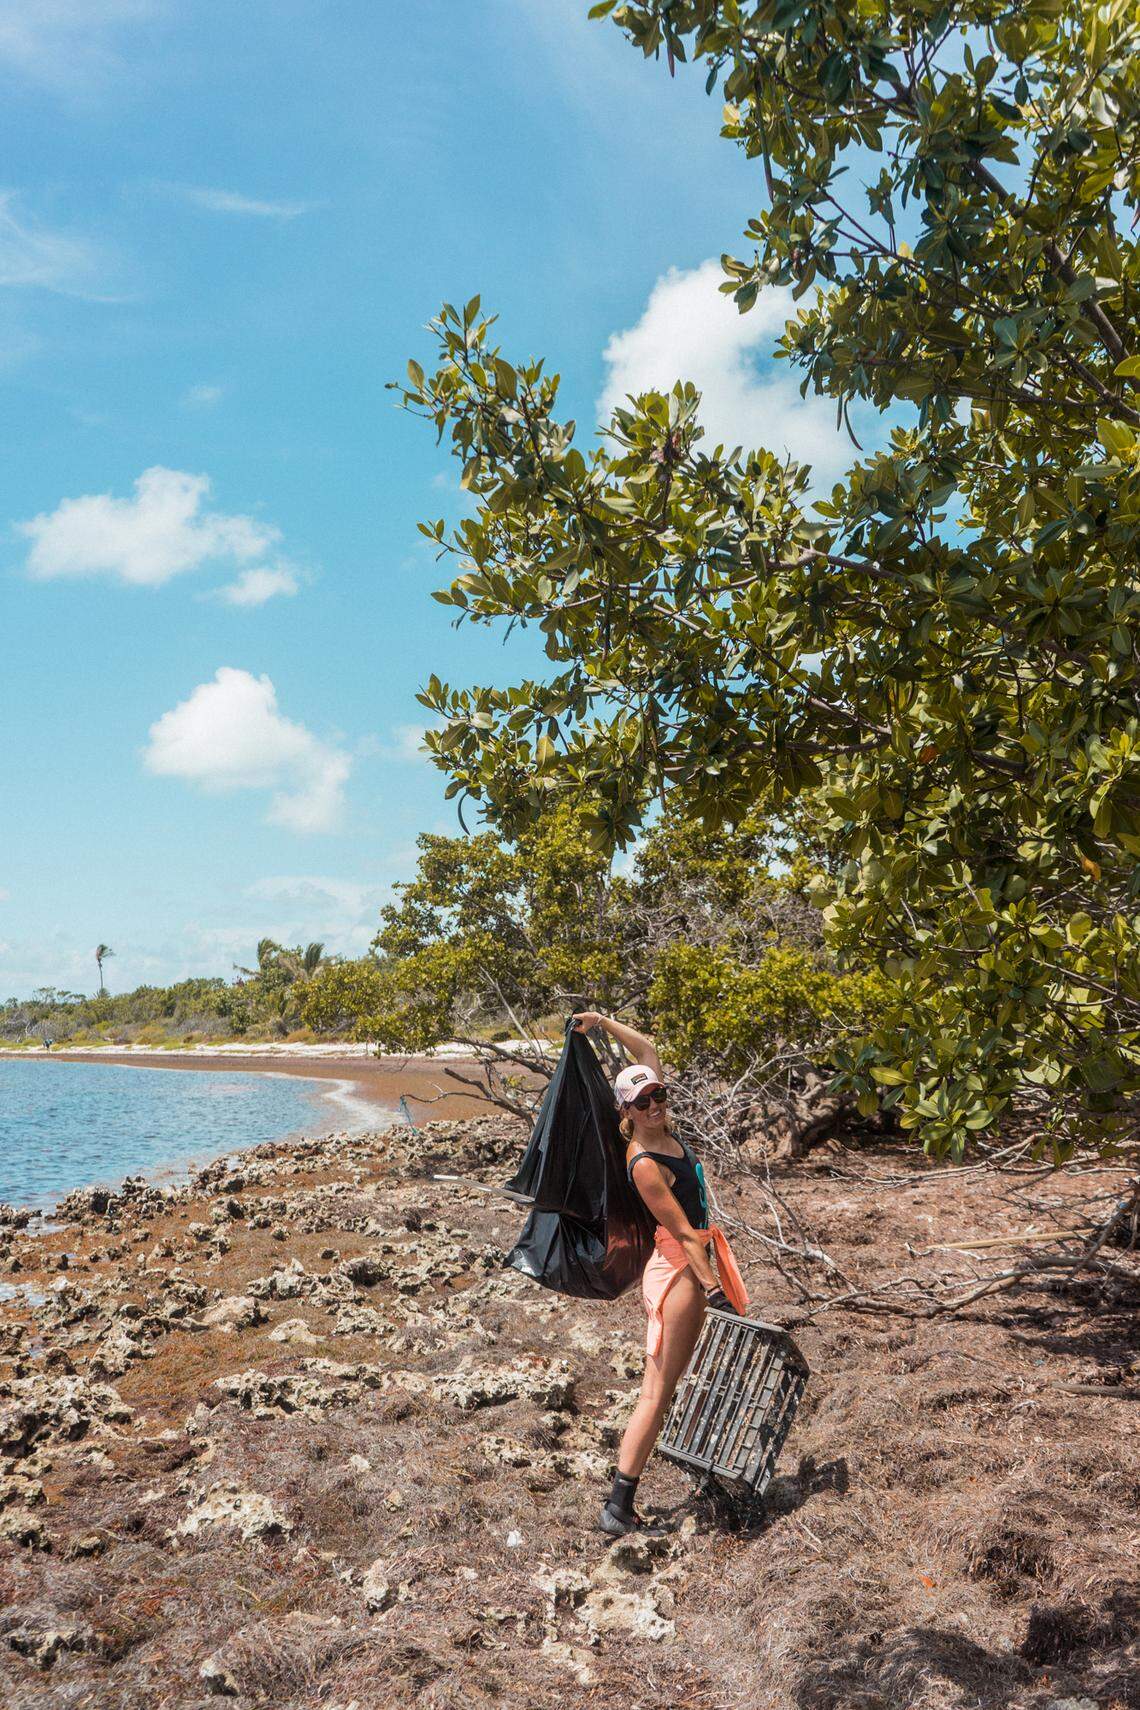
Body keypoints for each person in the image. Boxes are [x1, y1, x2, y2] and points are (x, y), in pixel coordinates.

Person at [571, 1010, 750, 1538]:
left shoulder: (665, 1132)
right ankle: (618, 1505)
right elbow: (683, 1231)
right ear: (625, 1111)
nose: (653, 1106)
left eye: (658, 1096)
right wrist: (713, 1289)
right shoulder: (644, 1160)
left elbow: (646, 1049)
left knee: (665, 1386)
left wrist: (602, 1022)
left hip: (690, 1259)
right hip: (677, 1268)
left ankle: (625, 1499)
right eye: (641, 1102)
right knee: (657, 1390)